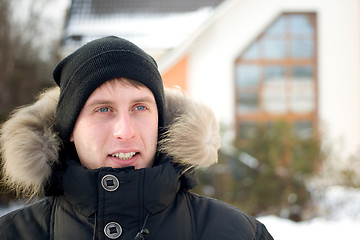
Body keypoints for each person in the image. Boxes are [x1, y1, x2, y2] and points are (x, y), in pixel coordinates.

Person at [0, 36, 273, 239]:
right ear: (69, 129)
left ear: (160, 121)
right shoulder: (15, 234)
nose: (125, 131)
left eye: (140, 107)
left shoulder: (240, 234)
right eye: (103, 109)